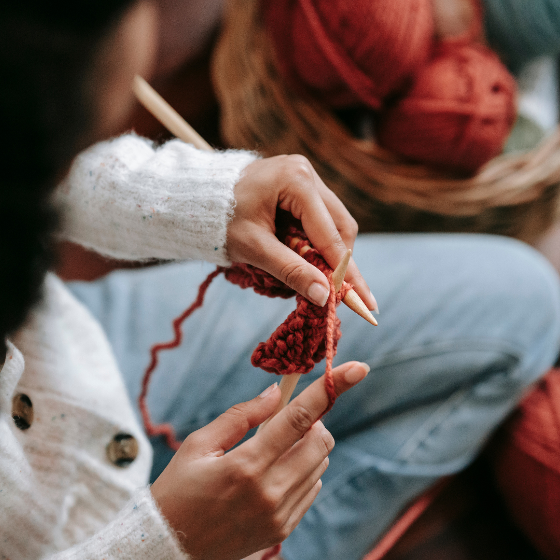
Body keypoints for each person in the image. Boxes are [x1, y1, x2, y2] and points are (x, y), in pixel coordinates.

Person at [1, 3, 560, 560]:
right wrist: (168, 542)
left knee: (528, 297)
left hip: (74, 355)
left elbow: (41, 150)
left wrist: (213, 199)